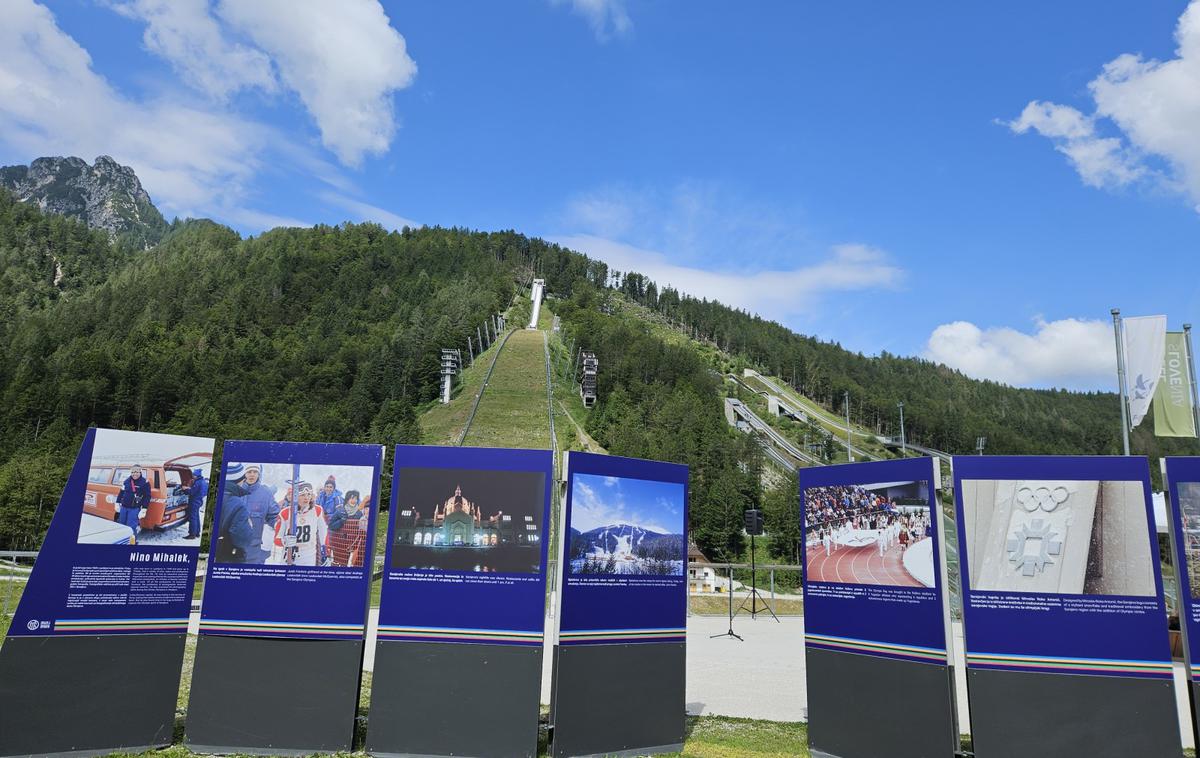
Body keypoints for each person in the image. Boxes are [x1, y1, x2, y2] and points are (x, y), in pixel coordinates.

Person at [273, 481, 330, 566]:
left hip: (309, 556)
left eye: (308, 494)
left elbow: (323, 532)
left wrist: (325, 551)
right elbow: (276, 539)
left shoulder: (317, 510)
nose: (306, 498)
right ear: (295, 497)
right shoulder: (285, 513)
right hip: (290, 555)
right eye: (302, 495)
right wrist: (285, 541)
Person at [215, 463, 256, 563]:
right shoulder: (238, 504)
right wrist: (249, 526)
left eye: (255, 472)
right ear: (240, 480)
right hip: (227, 556)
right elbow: (242, 539)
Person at [240, 463, 280, 564]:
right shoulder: (236, 490)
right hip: (234, 545)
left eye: (255, 472)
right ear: (245, 474)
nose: (252, 475)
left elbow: (274, 515)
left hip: (255, 549)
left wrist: (279, 526)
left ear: (259, 474)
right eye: (249, 472)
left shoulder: (265, 493)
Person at [328, 489, 367, 567]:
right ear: (347, 499)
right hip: (340, 543)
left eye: (356, 498)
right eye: (352, 498)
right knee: (340, 563)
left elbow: (361, 529)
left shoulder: (359, 513)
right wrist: (341, 521)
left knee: (352, 564)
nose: (354, 500)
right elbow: (331, 525)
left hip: (353, 543)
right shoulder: (340, 511)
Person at [115, 465, 151, 534]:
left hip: (134, 509)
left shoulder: (145, 482)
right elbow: (121, 492)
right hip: (123, 507)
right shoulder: (126, 481)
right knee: (121, 525)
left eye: (136, 472)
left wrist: (144, 509)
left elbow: (147, 496)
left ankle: (132, 542)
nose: (134, 474)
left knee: (131, 528)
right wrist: (117, 503)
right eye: (133, 472)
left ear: (140, 472)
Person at [183, 467, 207, 540]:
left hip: (194, 502)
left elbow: (192, 492)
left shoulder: (198, 482)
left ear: (197, 475)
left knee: (192, 518)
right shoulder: (203, 481)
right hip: (199, 501)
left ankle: (192, 534)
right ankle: (197, 533)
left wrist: (185, 489)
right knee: (196, 517)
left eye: (194, 475)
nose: (193, 476)